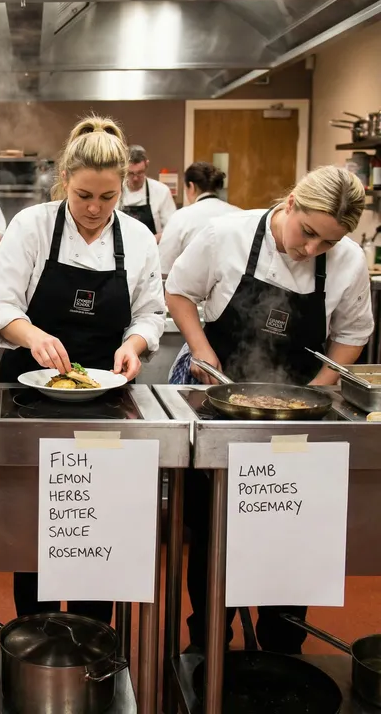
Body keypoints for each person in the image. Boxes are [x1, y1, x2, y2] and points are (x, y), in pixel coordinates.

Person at [165, 166, 374, 654]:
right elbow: (178, 290)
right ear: (292, 201)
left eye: (328, 242)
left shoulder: (348, 263)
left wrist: (317, 392)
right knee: (215, 537)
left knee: (290, 536)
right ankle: (209, 643)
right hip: (220, 406)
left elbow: (352, 334)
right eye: (308, 233)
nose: (312, 251)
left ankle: (283, 648)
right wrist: (200, 348)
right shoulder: (227, 235)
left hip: (298, 421)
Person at [0, 115, 165, 623]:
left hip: (106, 403)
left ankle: (91, 637)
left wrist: (135, 345)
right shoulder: (33, 226)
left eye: (108, 198)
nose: (94, 209)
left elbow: (151, 313)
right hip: (29, 397)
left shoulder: (138, 237)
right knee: (35, 528)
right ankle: (33, 637)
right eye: (84, 194)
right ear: (65, 180)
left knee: (96, 529)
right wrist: (34, 335)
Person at [158, 162, 241, 275]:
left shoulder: (181, 217)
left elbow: (164, 264)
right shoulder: (238, 214)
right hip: (232, 288)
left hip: (190, 289)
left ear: (191, 187)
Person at [119, 145, 177, 240]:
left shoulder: (161, 191)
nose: (135, 178)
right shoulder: (116, 191)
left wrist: (150, 241)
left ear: (147, 165)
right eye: (131, 173)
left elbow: (172, 229)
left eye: (140, 172)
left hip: (152, 249)